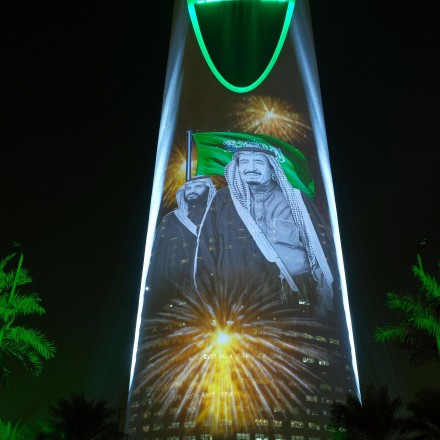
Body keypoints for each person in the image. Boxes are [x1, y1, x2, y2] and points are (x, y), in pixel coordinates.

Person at [194, 147, 337, 319]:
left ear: (272, 168)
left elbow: (320, 252)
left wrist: (324, 302)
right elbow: (206, 252)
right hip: (236, 301)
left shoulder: (296, 200)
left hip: (294, 297)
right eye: (244, 162)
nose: (250, 168)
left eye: (258, 162)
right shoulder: (223, 200)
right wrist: (210, 303)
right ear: (237, 167)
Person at [144, 175, 217, 313]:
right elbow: (157, 261)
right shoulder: (171, 220)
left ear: (209, 189)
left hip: (211, 289)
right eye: (188, 188)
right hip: (175, 289)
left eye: (198, 186)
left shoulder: (218, 219)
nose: (192, 191)